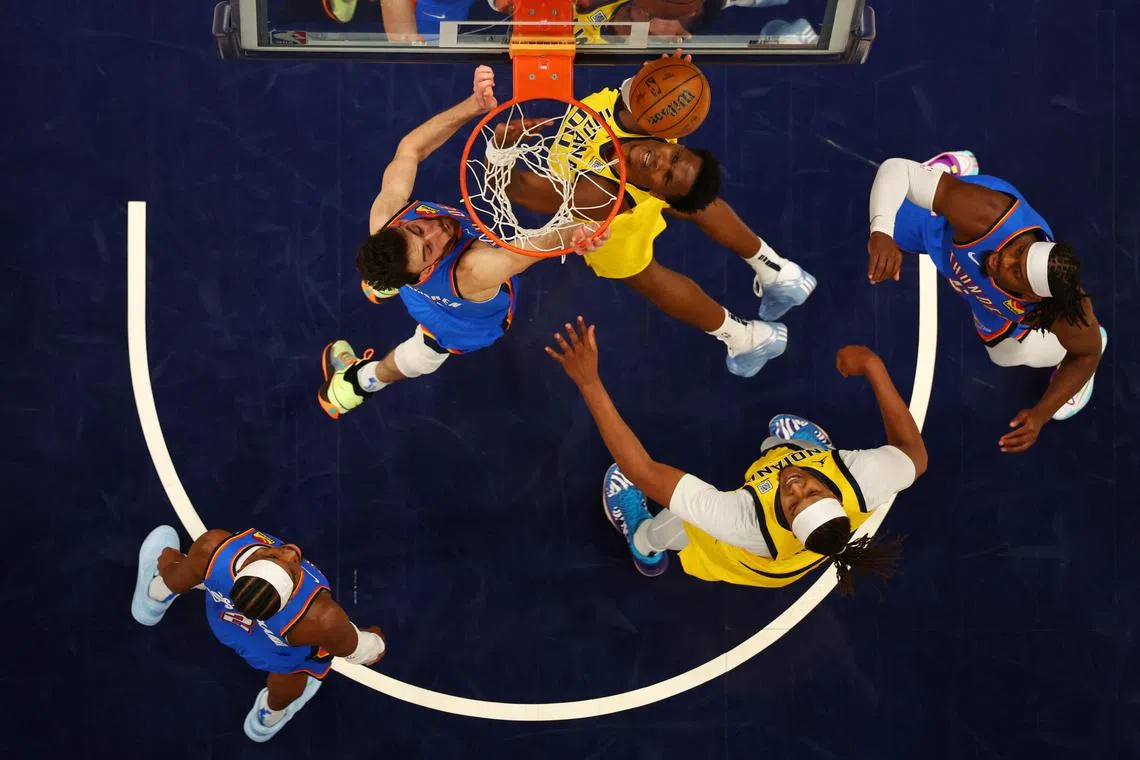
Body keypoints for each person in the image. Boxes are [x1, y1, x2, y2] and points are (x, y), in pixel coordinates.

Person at [545, 317, 926, 592]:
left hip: (744, 554)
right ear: (836, 496)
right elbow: (914, 454)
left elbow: (642, 471)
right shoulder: (866, 478)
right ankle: (795, 450)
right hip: (822, 506)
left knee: (682, 522)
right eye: (812, 493)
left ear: (789, 521)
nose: (795, 487)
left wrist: (590, 382)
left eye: (793, 505)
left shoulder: (740, 522)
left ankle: (644, 545)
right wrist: (873, 366)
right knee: (793, 459)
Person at [318, 65, 606, 419]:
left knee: (396, 259)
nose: (438, 231)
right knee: (423, 355)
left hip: (411, 279)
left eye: (417, 230)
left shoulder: (385, 219)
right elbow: (536, 247)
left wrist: (473, 105)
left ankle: (382, 282)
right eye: (428, 249)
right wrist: (578, 232)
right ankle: (354, 385)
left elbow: (410, 148)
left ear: (396, 226)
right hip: (462, 323)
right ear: (422, 271)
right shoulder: (475, 270)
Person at [505, 51, 816, 378]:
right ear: (676, 142)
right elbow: (644, 90)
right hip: (642, 187)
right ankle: (778, 272)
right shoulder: (651, 120)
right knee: (691, 190)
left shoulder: (596, 199)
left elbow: (522, 189)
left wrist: (499, 151)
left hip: (620, 224)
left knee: (647, 277)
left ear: (655, 192)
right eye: (675, 153)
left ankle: (746, 338)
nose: (658, 160)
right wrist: (663, 73)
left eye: (665, 175)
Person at [866, 151, 1107, 452]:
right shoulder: (986, 214)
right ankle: (951, 178)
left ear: (1033, 297)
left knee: (1004, 354)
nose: (1003, 258)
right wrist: (881, 233)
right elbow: (895, 169)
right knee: (890, 209)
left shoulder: (1059, 310)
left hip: (981, 295)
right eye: (1020, 251)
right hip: (949, 229)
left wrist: (1041, 414)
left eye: (1016, 270)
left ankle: (1061, 356)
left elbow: (1086, 354)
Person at [131, 525, 387, 742]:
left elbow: (177, 577)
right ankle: (266, 718)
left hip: (223, 624)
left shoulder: (213, 549)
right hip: (277, 655)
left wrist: (168, 563)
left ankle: (153, 598)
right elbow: (359, 652)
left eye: (277, 558)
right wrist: (374, 639)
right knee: (292, 679)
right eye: (291, 568)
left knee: (192, 570)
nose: (290, 553)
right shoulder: (320, 618)